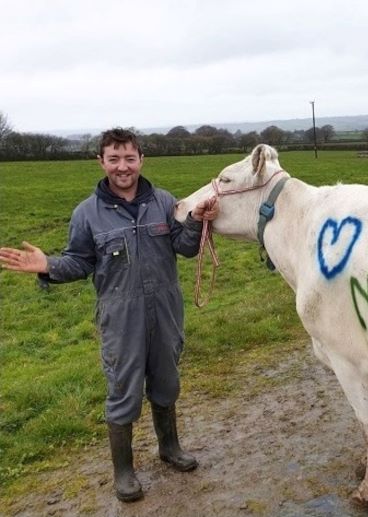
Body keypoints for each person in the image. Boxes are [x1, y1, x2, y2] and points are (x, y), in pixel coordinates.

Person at [0, 128, 219, 502]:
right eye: (114, 159)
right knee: (123, 391)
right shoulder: (86, 214)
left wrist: (197, 220)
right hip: (120, 318)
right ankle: (124, 471)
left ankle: (170, 448)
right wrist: (48, 265)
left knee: (166, 382)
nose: (123, 167)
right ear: (100, 162)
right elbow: (78, 262)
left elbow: (184, 248)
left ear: (141, 160)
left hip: (166, 312)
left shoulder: (164, 202)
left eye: (129, 158)